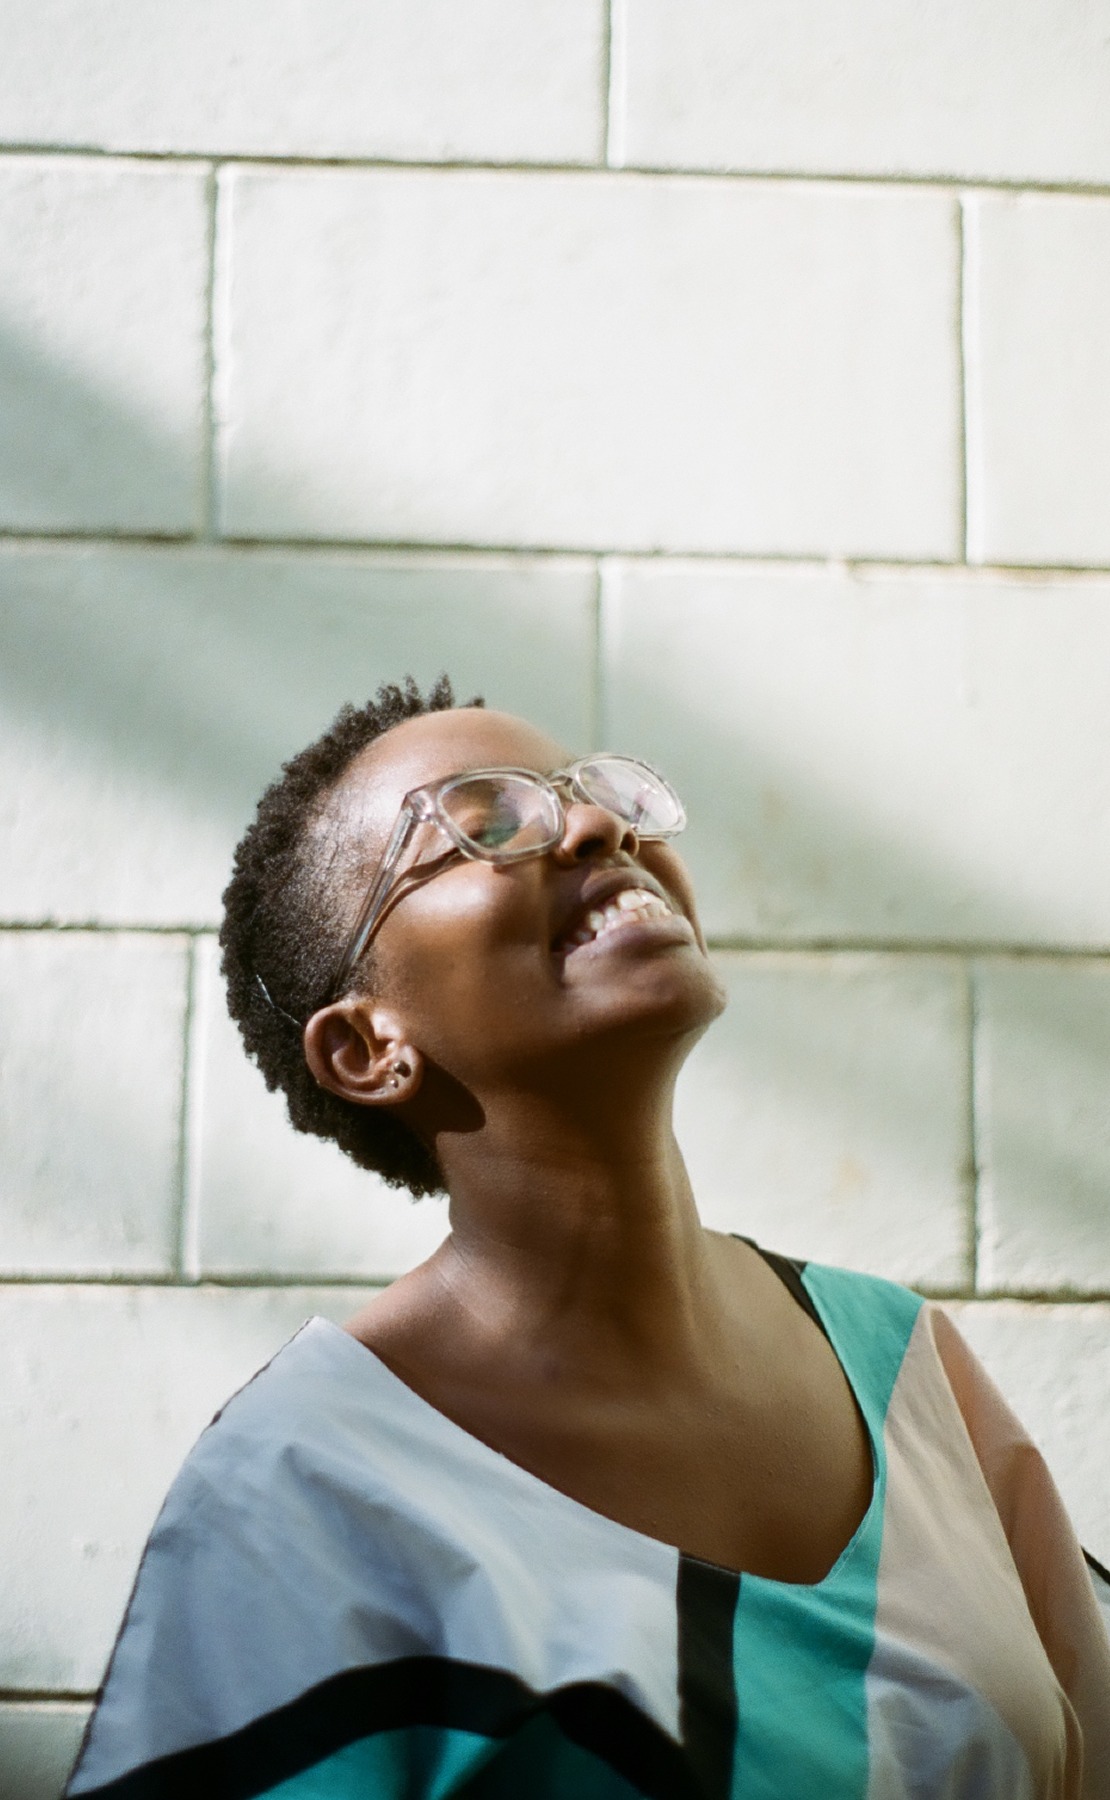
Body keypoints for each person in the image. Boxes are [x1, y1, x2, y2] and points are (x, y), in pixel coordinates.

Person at [67, 677, 1110, 1799]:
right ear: (370, 1046)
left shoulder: (904, 1367)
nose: (601, 827)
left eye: (594, 792)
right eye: (488, 819)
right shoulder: (305, 1490)